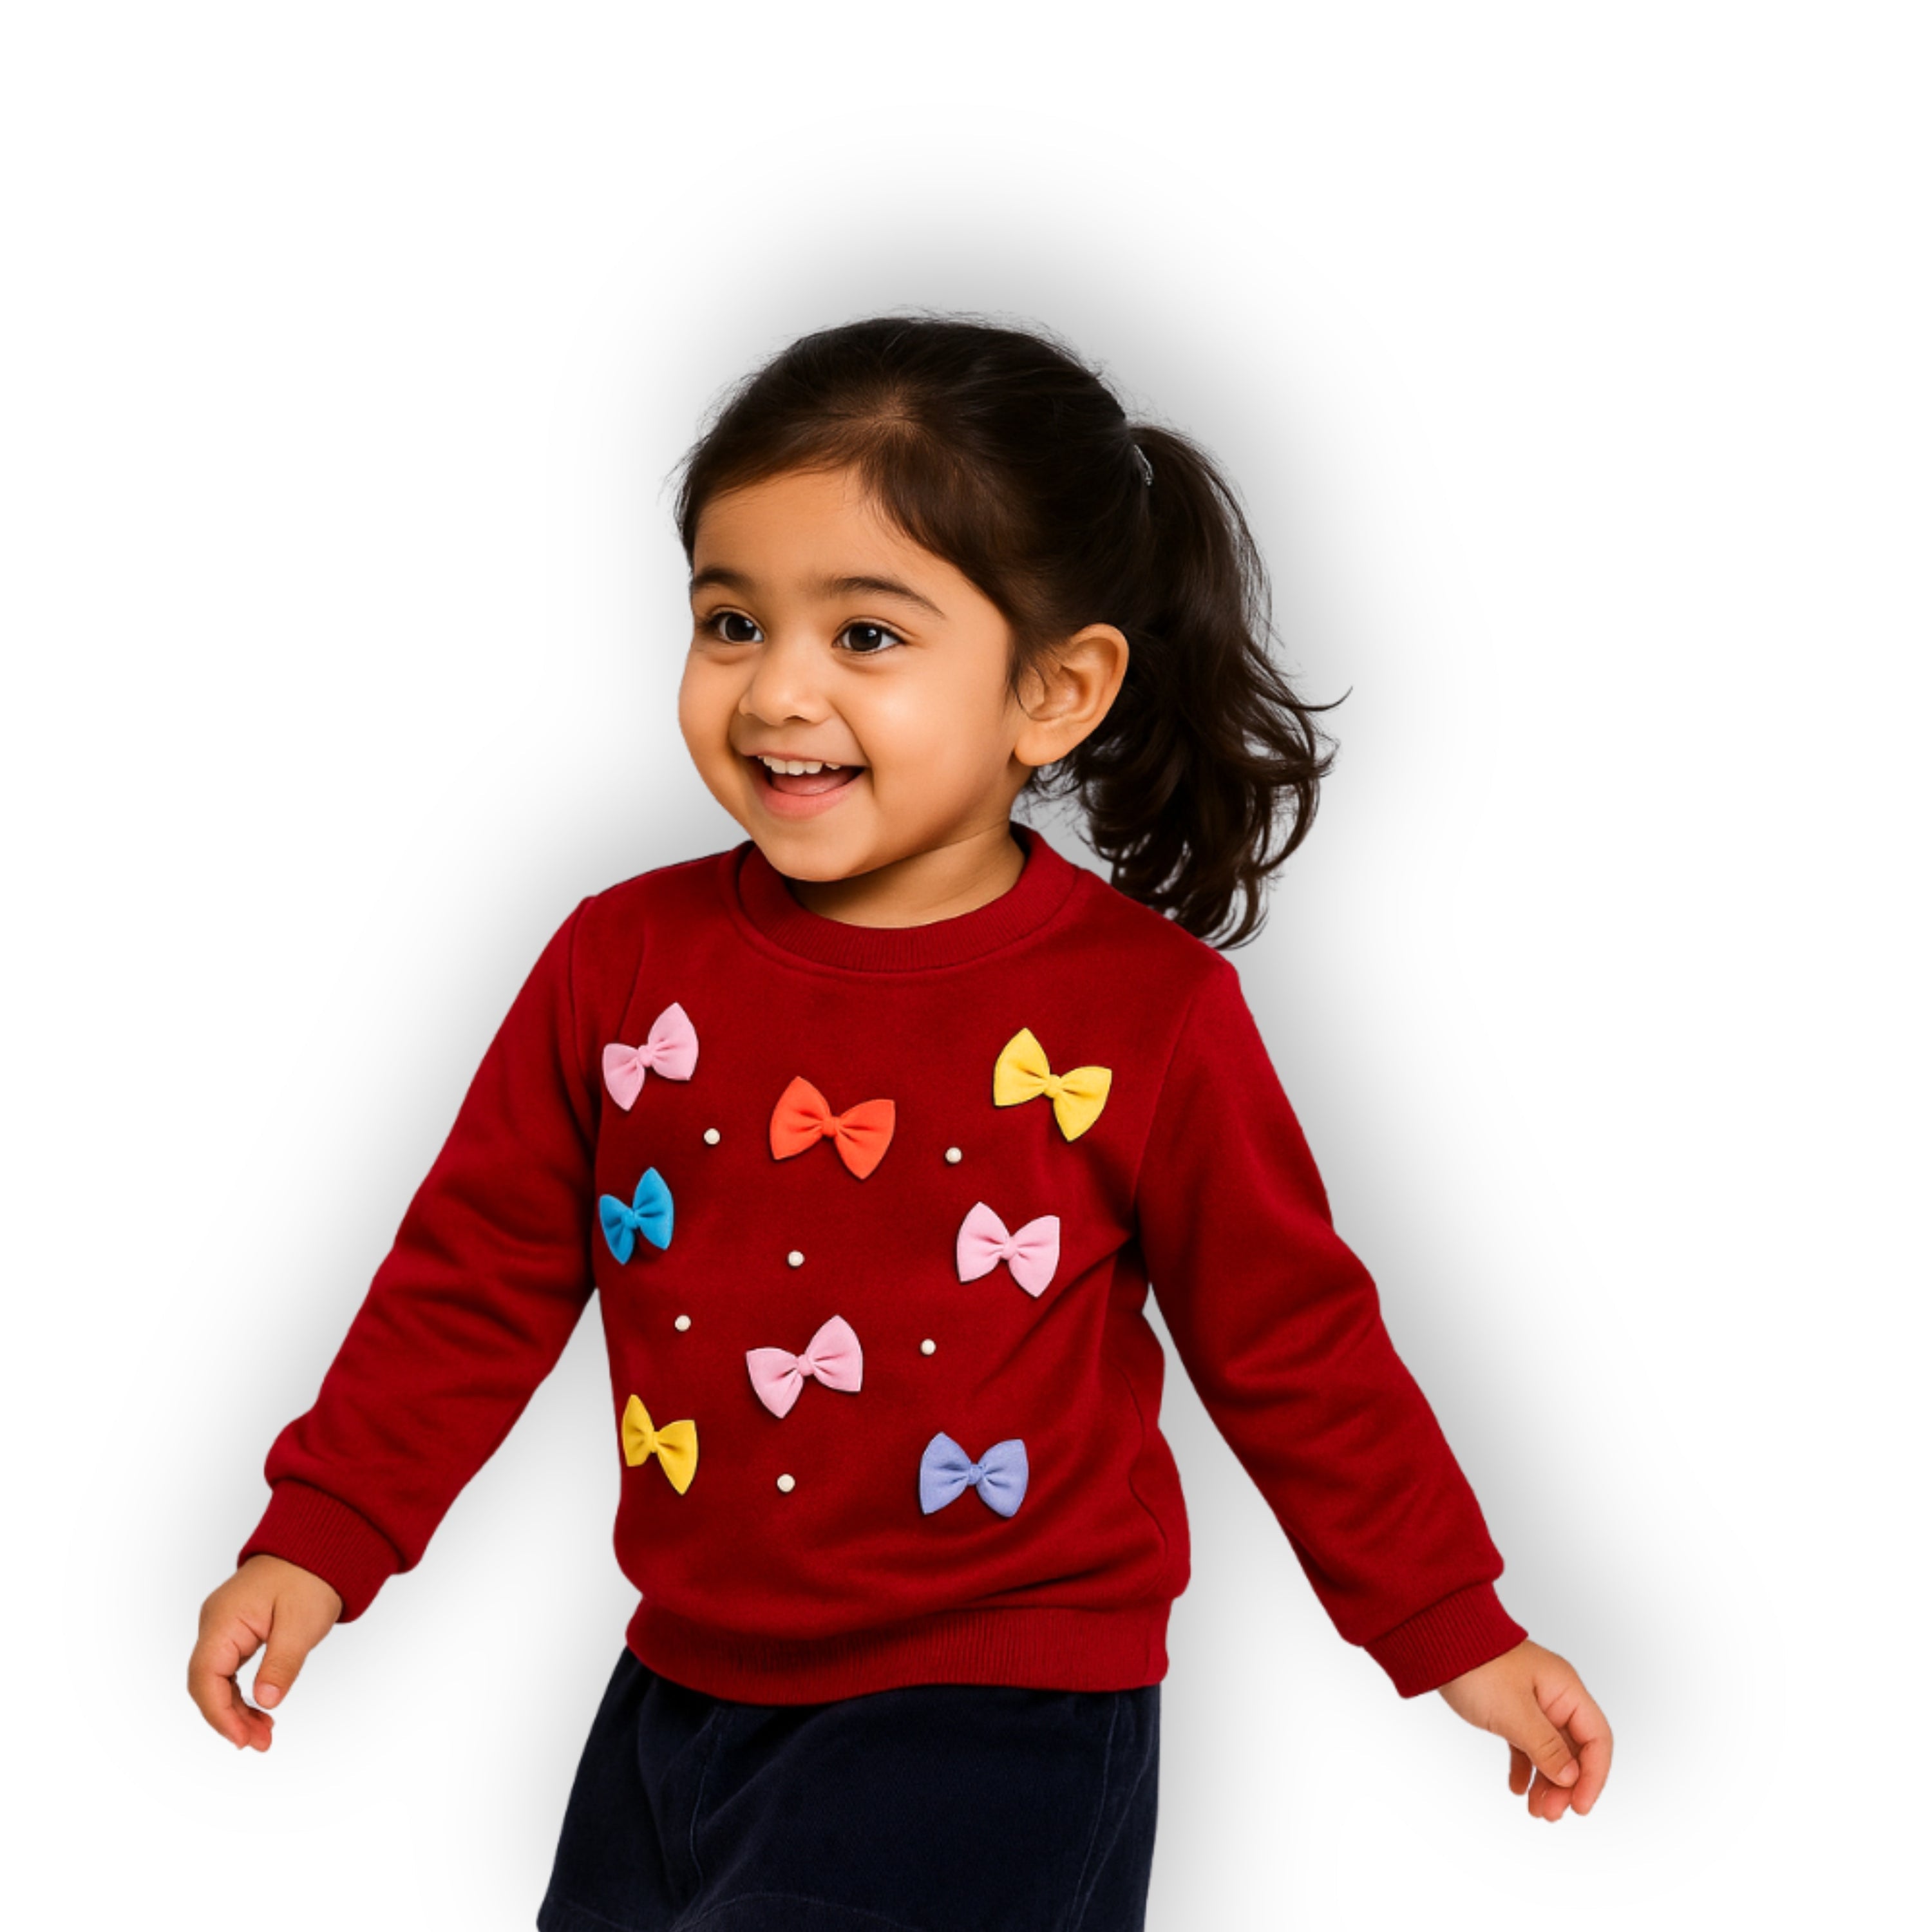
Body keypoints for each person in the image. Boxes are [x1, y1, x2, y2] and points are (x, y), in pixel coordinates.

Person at [189, 311, 1613, 1930]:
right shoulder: (617, 960)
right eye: (732, 621)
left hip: (998, 1719)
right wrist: (323, 1535)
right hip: (678, 1688)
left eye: (865, 635)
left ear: (1055, 692)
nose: (776, 689)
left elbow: (1293, 1344)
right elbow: (471, 1278)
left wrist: (1450, 1623)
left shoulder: (1147, 1013)